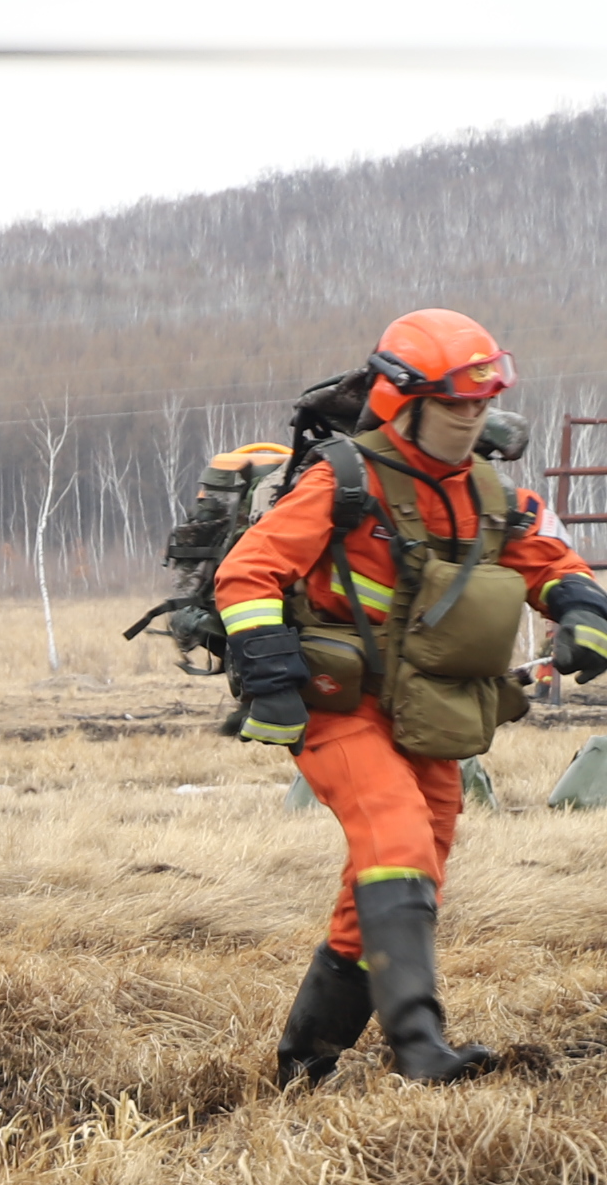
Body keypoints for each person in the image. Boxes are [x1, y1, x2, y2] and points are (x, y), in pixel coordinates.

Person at [216, 310, 607, 1085]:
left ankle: (306, 1062)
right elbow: (248, 574)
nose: (471, 416)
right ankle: (420, 1048)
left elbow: (553, 561)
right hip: (340, 708)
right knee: (392, 843)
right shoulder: (342, 480)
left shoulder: (489, 493)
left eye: (480, 402)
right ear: (404, 400)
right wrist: (269, 678)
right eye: (455, 402)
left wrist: (582, 611)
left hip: (430, 713)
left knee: (405, 874)